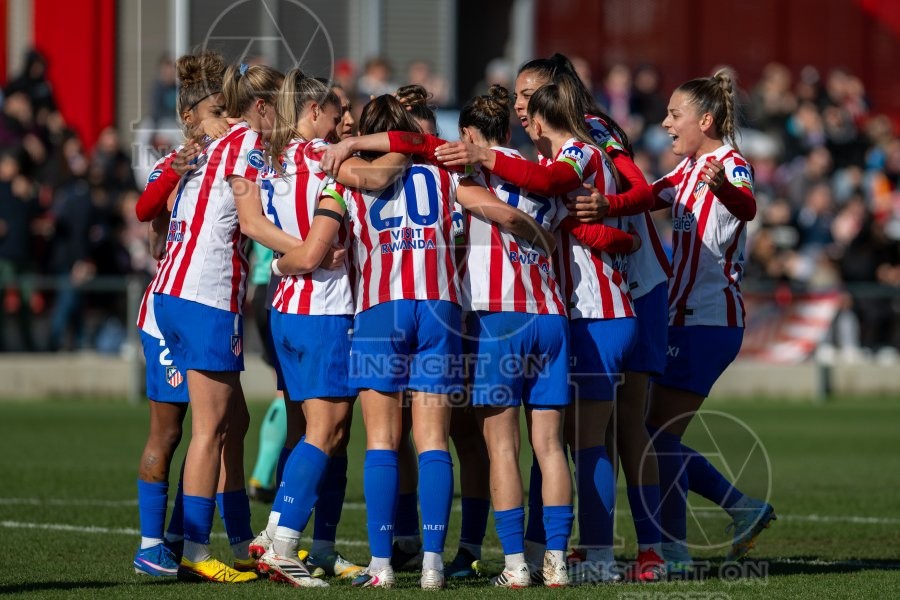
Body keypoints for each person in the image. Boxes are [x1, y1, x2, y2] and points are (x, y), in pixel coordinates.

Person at [282, 93, 555, 589]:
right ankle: (433, 564)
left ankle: (383, 566)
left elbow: (321, 244)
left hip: (380, 310)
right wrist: (541, 235)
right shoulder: (444, 174)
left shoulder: (348, 181)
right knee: (433, 442)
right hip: (439, 311)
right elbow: (500, 214)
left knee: (383, 441)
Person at [252, 70, 406, 587]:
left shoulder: (271, 161)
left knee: (310, 431)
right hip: (323, 309)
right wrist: (404, 144)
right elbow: (380, 179)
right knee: (329, 430)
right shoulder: (323, 160)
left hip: (286, 310)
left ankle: (275, 532)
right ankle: (284, 542)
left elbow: (258, 225)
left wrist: (278, 264)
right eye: (335, 111)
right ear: (313, 111)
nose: (342, 122)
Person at [151, 61, 293, 584]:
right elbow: (254, 222)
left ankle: (236, 540)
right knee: (211, 429)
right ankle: (192, 547)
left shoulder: (216, 138)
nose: (284, 117)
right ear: (260, 106)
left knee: (234, 421)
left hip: (177, 289)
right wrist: (311, 248)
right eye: (279, 105)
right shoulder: (248, 142)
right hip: (204, 294)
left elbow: (163, 198)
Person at [646, 68, 774, 573]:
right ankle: (679, 546)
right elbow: (641, 200)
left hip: (707, 321)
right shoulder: (682, 171)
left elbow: (746, 206)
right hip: (680, 321)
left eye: (674, 115)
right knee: (658, 435)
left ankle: (736, 509)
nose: (665, 123)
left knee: (655, 435)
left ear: (706, 119)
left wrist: (722, 188)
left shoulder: (729, 164)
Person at [132, 50, 252, 578]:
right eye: (219, 109)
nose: (230, 117)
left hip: (196, 298)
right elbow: (145, 210)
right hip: (175, 306)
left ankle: (190, 535)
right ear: (189, 117)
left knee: (228, 421)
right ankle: (155, 545)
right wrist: (176, 170)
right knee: (175, 430)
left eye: (232, 107)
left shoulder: (229, 150)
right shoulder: (181, 160)